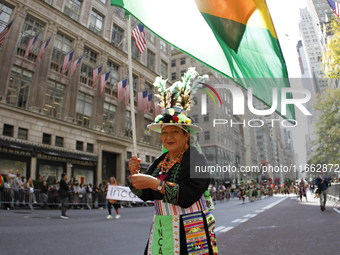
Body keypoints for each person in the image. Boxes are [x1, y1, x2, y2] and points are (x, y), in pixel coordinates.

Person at [128, 69, 218, 254]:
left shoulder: (198, 158)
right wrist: (135, 175)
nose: (168, 137)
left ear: (186, 135)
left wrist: (156, 184)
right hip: (163, 226)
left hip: (191, 227)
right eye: (164, 132)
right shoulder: (160, 160)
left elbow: (189, 194)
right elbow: (146, 194)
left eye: (174, 131)